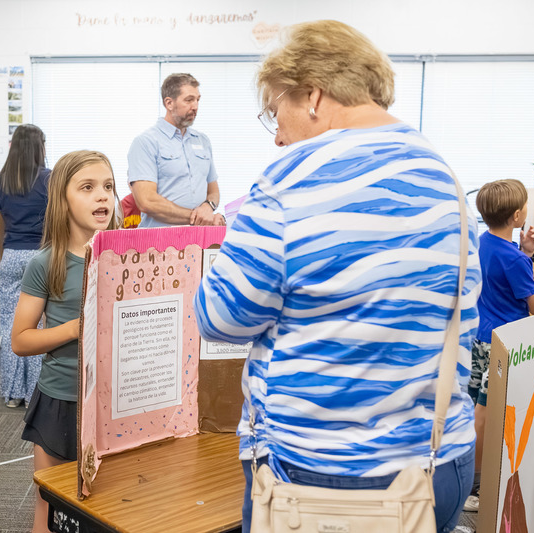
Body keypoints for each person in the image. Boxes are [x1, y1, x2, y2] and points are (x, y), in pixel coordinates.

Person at [193, 20, 479, 533]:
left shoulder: (290, 181)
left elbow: (219, 318)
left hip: (326, 476)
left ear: (314, 97)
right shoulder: (444, 174)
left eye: (274, 112)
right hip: (443, 461)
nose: (278, 136)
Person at [10, 150, 120, 533]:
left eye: (108, 186)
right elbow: (21, 340)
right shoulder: (47, 262)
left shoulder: (128, 257)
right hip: (60, 400)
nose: (102, 196)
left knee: (109, 507)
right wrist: (77, 327)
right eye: (88, 188)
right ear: (62, 199)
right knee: (52, 506)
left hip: (114, 402)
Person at [464, 179, 534, 512]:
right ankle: (475, 485)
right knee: (485, 412)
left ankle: (467, 475)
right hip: (503, 344)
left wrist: (526, 253)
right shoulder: (515, 260)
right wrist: (525, 258)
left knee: (473, 408)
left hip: (477, 339)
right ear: (516, 216)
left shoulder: (480, 245)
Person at [0, 124, 50, 408]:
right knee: (38, 325)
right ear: (40, 147)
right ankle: (34, 392)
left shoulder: (0, 179)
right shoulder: (49, 178)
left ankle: (13, 393)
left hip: (11, 257)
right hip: (42, 257)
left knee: (9, 324)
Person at [127, 72, 225, 228]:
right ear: (169, 103)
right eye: (189, 100)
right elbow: (147, 201)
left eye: (198, 100)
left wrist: (208, 207)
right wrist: (197, 217)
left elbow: (213, 191)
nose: (195, 106)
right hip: (159, 243)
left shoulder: (203, 141)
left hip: (198, 240)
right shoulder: (145, 142)